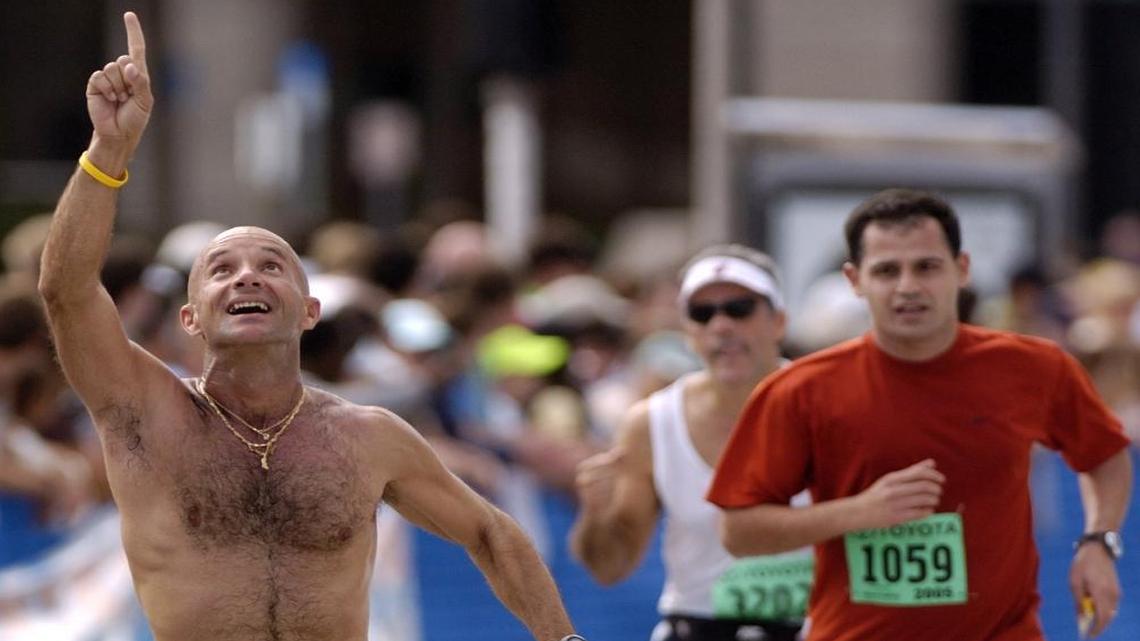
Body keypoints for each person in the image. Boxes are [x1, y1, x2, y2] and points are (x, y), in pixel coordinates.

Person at [38, 12, 585, 641]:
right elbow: (66, 292)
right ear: (190, 318)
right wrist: (108, 152)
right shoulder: (143, 410)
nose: (247, 278)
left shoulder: (368, 437)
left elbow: (489, 531)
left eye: (272, 266)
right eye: (221, 270)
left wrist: (564, 639)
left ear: (309, 311)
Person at [707, 188, 1133, 641]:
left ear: (961, 269)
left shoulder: (1034, 367)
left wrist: (1099, 542)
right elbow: (738, 530)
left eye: (926, 267)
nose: (907, 287)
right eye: (886, 271)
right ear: (854, 279)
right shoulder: (801, 389)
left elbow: (1105, 456)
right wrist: (858, 512)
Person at [570, 244, 809, 641]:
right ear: (688, 332)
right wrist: (596, 513)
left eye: (740, 308)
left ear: (779, 321)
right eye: (702, 313)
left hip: (814, 628)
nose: (722, 325)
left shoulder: (829, 406)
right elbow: (610, 568)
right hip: (698, 629)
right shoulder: (652, 422)